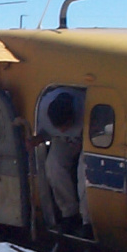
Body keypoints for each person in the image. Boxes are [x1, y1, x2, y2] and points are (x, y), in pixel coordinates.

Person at [30, 89, 91, 238]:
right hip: (64, 139)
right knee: (53, 164)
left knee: (84, 172)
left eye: (65, 124)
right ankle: (69, 213)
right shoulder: (44, 109)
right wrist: (39, 138)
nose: (62, 128)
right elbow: (49, 131)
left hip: (90, 136)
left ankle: (87, 221)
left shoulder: (86, 106)